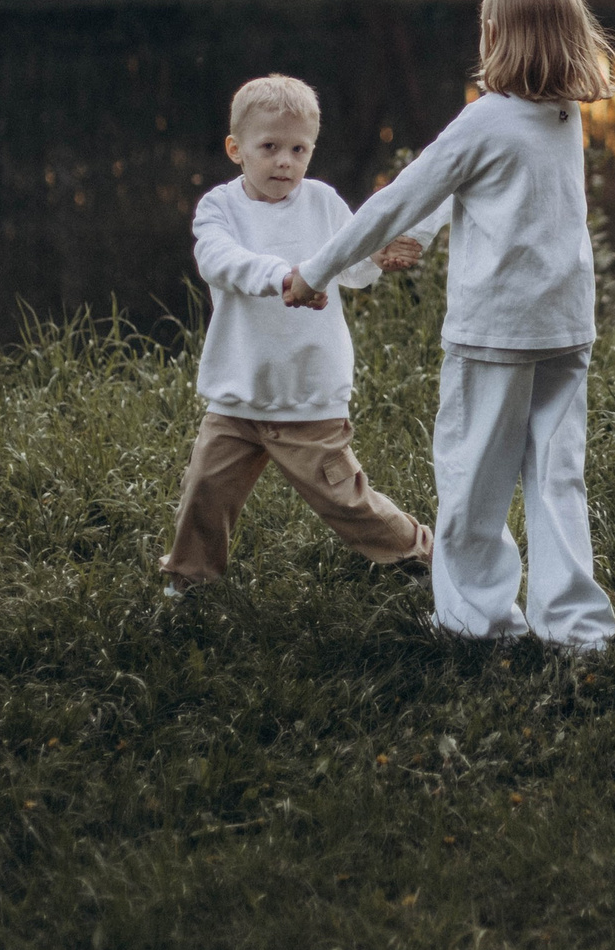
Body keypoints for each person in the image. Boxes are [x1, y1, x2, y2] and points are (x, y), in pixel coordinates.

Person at [285, 0, 615, 654]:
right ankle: (576, 629)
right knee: (557, 476)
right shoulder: (562, 116)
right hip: (563, 331)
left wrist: (317, 269)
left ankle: (478, 622)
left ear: (495, 34)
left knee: (474, 477)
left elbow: (400, 195)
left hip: (495, 334)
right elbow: (481, 193)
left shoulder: (485, 119)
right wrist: (420, 236)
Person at [160, 74, 438, 595]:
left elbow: (351, 267)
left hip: (308, 394)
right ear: (235, 149)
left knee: (345, 498)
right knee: (205, 492)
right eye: (269, 148)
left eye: (298, 149)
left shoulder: (323, 202)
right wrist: (285, 278)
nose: (284, 161)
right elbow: (219, 262)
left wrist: (376, 256)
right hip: (238, 395)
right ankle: (189, 583)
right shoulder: (220, 209)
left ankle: (421, 554)